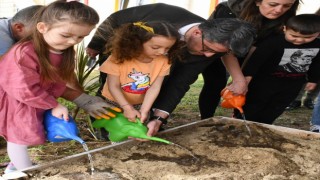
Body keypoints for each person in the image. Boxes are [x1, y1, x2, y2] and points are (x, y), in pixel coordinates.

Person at [86, 3, 256, 137]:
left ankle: (144, 122)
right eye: (206, 48)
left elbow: (179, 83)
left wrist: (159, 118)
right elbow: (115, 19)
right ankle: (108, 126)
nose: (208, 55)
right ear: (198, 32)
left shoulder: (211, 48)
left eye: (216, 53)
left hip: (153, 77)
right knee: (113, 88)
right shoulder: (164, 13)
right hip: (122, 54)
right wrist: (96, 44)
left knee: (153, 87)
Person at [0, 1, 118, 172]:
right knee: (18, 138)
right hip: (18, 101)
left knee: (27, 133)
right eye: (66, 35)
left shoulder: (59, 50)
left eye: (81, 37)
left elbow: (55, 83)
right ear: (42, 27)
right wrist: (53, 104)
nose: (73, 41)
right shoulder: (24, 53)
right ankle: (21, 171)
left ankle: (17, 164)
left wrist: (83, 100)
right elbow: (21, 88)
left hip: (34, 100)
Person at [199, 0, 300, 119]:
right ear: (257, 2)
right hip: (219, 49)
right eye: (273, 5)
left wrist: (245, 76)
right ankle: (206, 119)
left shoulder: (285, 17)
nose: (279, 10)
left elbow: (258, 49)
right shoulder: (228, 10)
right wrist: (238, 78)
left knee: (249, 84)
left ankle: (239, 118)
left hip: (252, 51)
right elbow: (225, 48)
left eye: (287, 6)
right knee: (215, 83)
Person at [234, 14, 320, 124]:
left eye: (307, 37)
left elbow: (317, 63)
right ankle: (242, 123)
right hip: (264, 81)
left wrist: (313, 79)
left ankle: (264, 125)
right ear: (285, 29)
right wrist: (248, 75)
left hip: (293, 83)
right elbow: (257, 59)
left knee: (278, 106)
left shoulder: (318, 45)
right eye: (293, 36)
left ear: (318, 34)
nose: (300, 40)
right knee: (254, 103)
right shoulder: (274, 42)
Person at [99, 21, 182, 123]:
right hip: (114, 101)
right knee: (115, 130)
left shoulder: (164, 61)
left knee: (136, 130)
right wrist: (127, 107)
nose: (162, 52)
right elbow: (113, 86)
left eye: (167, 48)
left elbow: (154, 87)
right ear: (137, 42)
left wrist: (144, 109)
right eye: (155, 47)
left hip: (141, 103)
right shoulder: (118, 58)